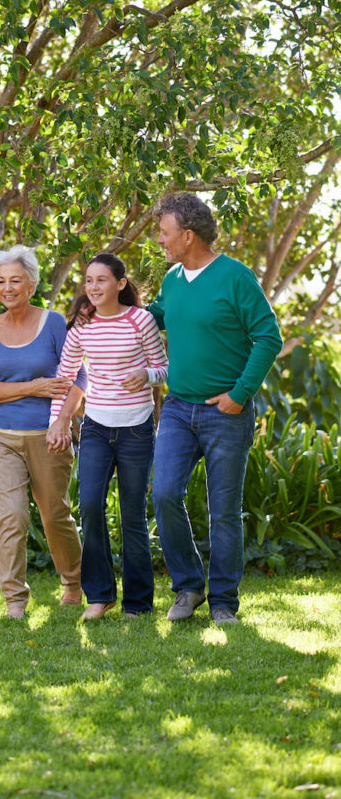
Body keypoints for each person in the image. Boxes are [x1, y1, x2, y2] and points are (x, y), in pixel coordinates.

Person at [148, 193, 282, 626]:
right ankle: (188, 587)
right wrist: (108, 308)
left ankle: (223, 600)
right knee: (165, 493)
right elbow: (156, 317)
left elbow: (268, 338)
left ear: (188, 235)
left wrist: (240, 393)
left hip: (226, 411)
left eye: (165, 232)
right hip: (177, 409)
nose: (160, 240)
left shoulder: (235, 277)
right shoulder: (172, 279)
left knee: (224, 509)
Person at [47, 253, 168, 621]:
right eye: (88, 281)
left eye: (101, 280)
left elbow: (164, 368)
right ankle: (99, 597)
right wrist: (59, 422)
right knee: (90, 508)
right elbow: (65, 377)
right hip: (97, 428)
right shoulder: (82, 326)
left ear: (119, 283)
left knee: (132, 514)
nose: (93, 287)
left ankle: (137, 602)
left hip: (137, 428)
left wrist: (146, 375)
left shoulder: (141, 320)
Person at [0, 245, 86, 620]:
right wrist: (34, 386)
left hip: (47, 434)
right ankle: (14, 601)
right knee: (13, 515)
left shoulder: (53, 323)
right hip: (1, 434)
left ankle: (73, 582)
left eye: (15, 280)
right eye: (1, 281)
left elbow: (77, 376)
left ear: (32, 283)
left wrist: (62, 421)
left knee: (55, 514)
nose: (7, 288)